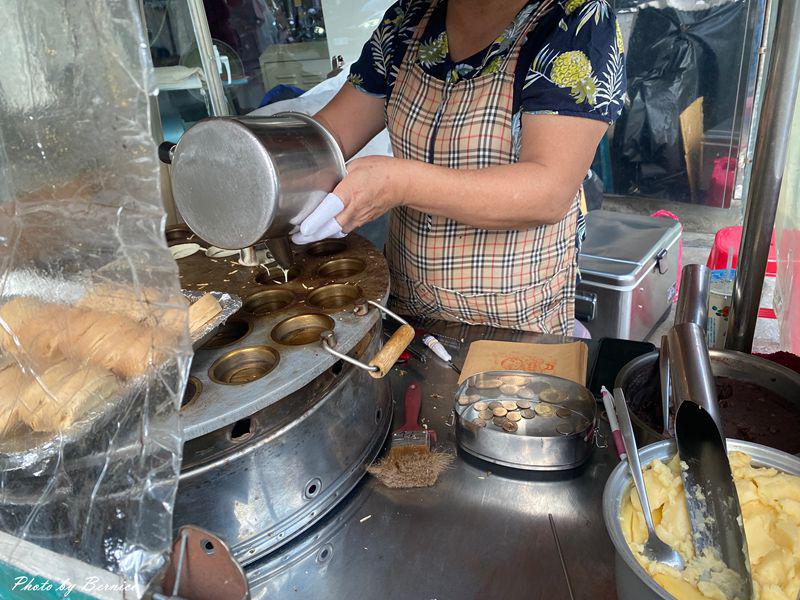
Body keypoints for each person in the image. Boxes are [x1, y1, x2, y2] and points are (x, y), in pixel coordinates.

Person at [297, 0, 626, 335]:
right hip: (405, 307)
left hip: (515, 321)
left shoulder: (575, 22)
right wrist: (269, 168)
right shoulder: (408, 21)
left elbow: (549, 189)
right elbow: (331, 134)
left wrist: (397, 184)